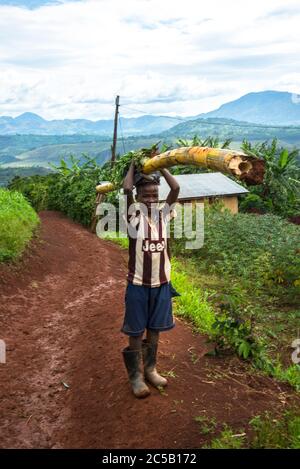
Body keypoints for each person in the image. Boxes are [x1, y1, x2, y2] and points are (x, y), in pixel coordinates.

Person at [121, 160, 180, 398]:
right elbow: (126, 189)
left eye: (155, 194)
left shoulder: (164, 215)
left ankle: (151, 369)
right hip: (137, 285)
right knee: (136, 331)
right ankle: (135, 377)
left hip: (162, 284)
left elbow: (175, 189)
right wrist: (134, 167)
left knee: (155, 328)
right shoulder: (133, 216)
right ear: (138, 196)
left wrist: (162, 165)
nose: (151, 198)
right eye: (146, 195)